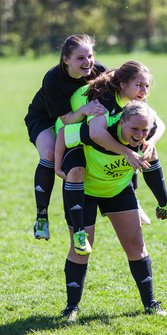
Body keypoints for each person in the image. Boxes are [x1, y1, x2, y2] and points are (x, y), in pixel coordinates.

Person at [55, 61, 167, 256]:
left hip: (91, 136)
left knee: (147, 150)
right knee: (80, 170)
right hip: (68, 128)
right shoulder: (104, 99)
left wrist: (151, 142)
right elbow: (94, 134)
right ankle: (60, 224)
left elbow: (159, 123)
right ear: (122, 85)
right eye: (139, 85)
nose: (144, 90)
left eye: (146, 86)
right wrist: (127, 152)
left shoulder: (134, 101)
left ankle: (165, 205)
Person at [58, 100, 167, 321]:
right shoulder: (99, 131)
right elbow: (63, 133)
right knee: (81, 248)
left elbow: (159, 128)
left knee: (136, 245)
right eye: (134, 129)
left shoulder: (148, 133)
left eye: (144, 130)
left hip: (118, 190)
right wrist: (57, 165)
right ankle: (71, 308)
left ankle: (150, 304)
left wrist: (151, 142)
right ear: (121, 122)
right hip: (84, 191)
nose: (139, 135)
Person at [24, 34, 107, 241]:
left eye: (90, 56)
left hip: (76, 118)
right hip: (45, 118)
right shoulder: (53, 78)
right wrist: (86, 109)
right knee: (50, 154)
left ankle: (121, 203)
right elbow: (67, 120)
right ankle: (41, 218)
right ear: (66, 60)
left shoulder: (100, 71)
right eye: (80, 58)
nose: (88, 62)